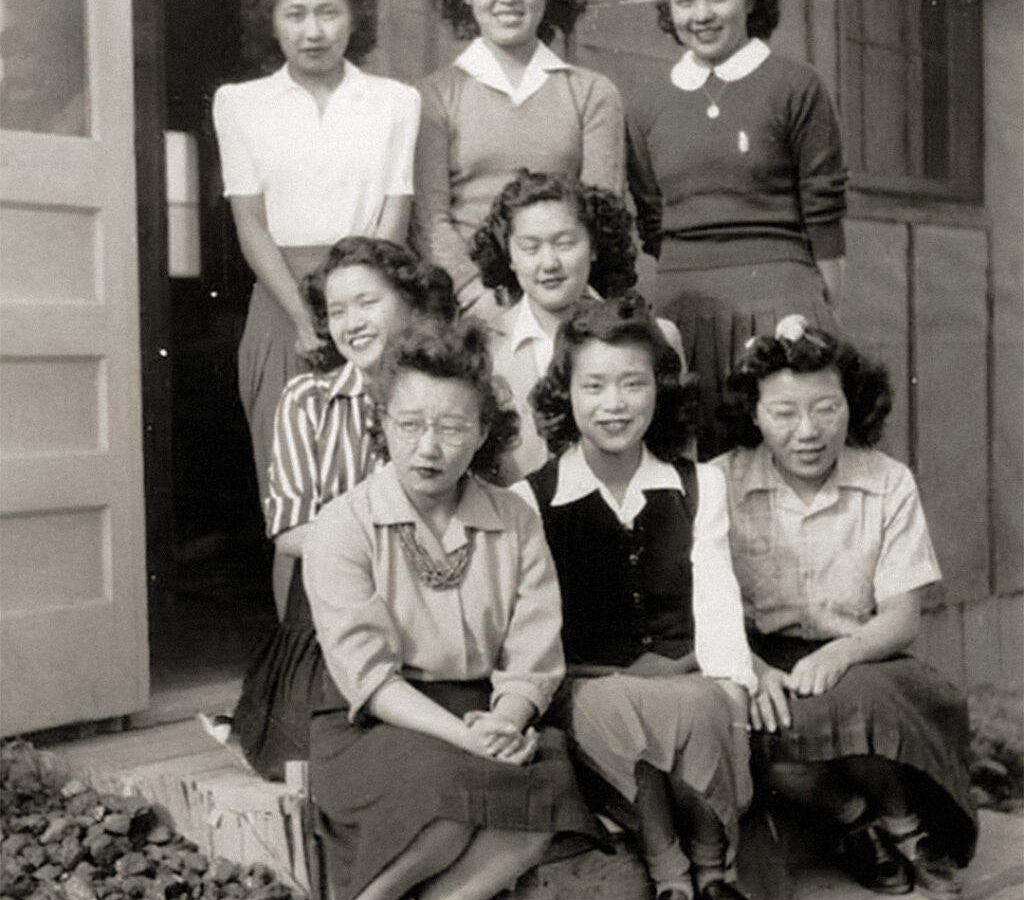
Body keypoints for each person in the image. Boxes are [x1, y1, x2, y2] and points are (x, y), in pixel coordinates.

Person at [304, 319, 597, 900]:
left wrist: (507, 721)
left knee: (546, 781)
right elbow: (369, 677)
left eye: (452, 427)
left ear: (484, 430)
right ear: (383, 422)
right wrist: (469, 740)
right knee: (450, 793)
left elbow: (533, 655)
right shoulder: (345, 524)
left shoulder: (514, 520)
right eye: (409, 425)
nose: (429, 448)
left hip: (484, 710)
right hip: (376, 719)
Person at [713, 315, 976, 896]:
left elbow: (902, 616)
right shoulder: (718, 483)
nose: (807, 431)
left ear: (851, 406)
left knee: (856, 701)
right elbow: (708, 607)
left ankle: (908, 826)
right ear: (753, 415)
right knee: (762, 736)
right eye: (783, 413)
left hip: (867, 656)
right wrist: (754, 670)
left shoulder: (888, 483)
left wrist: (840, 653)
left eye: (825, 408)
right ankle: (859, 821)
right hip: (761, 659)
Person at [515, 293, 757, 900]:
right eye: (594, 386)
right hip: (589, 683)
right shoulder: (532, 499)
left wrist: (734, 701)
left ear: (661, 388)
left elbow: (718, 602)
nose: (614, 405)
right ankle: (672, 874)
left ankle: (714, 871)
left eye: (633, 384)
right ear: (565, 393)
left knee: (701, 708)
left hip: (682, 676)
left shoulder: (698, 485)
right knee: (613, 711)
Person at [230, 238, 455, 781]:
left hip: (433, 614)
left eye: (367, 303)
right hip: (332, 619)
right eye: (336, 311)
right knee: (330, 757)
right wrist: (390, 542)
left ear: (411, 303)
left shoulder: (449, 394)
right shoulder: (308, 400)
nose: (351, 322)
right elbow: (289, 532)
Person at [626, 0, 847, 458]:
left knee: (791, 458)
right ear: (668, 8)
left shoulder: (796, 85)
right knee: (693, 472)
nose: (701, 14)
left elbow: (824, 211)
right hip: (682, 305)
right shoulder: (647, 100)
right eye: (684, 1)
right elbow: (652, 212)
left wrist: (821, 310)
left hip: (782, 295)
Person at [212, 0, 421, 501]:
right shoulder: (239, 103)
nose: (313, 31)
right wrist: (306, 321)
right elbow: (251, 224)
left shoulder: (395, 101)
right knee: (294, 501)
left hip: (375, 306)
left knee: (379, 489)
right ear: (272, 23)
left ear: (354, 18)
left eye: (328, 12)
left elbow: (393, 212)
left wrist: (362, 313)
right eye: (295, 14)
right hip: (283, 310)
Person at [415, 0, 625, 325]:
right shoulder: (433, 97)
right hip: (470, 312)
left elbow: (603, 213)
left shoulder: (592, 93)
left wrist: (555, 304)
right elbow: (431, 223)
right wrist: (478, 297)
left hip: (569, 306)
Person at [470, 169, 684, 482]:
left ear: (594, 246)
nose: (549, 263)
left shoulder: (655, 337)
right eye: (530, 248)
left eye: (565, 243)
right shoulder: (484, 347)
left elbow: (679, 464)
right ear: (510, 256)